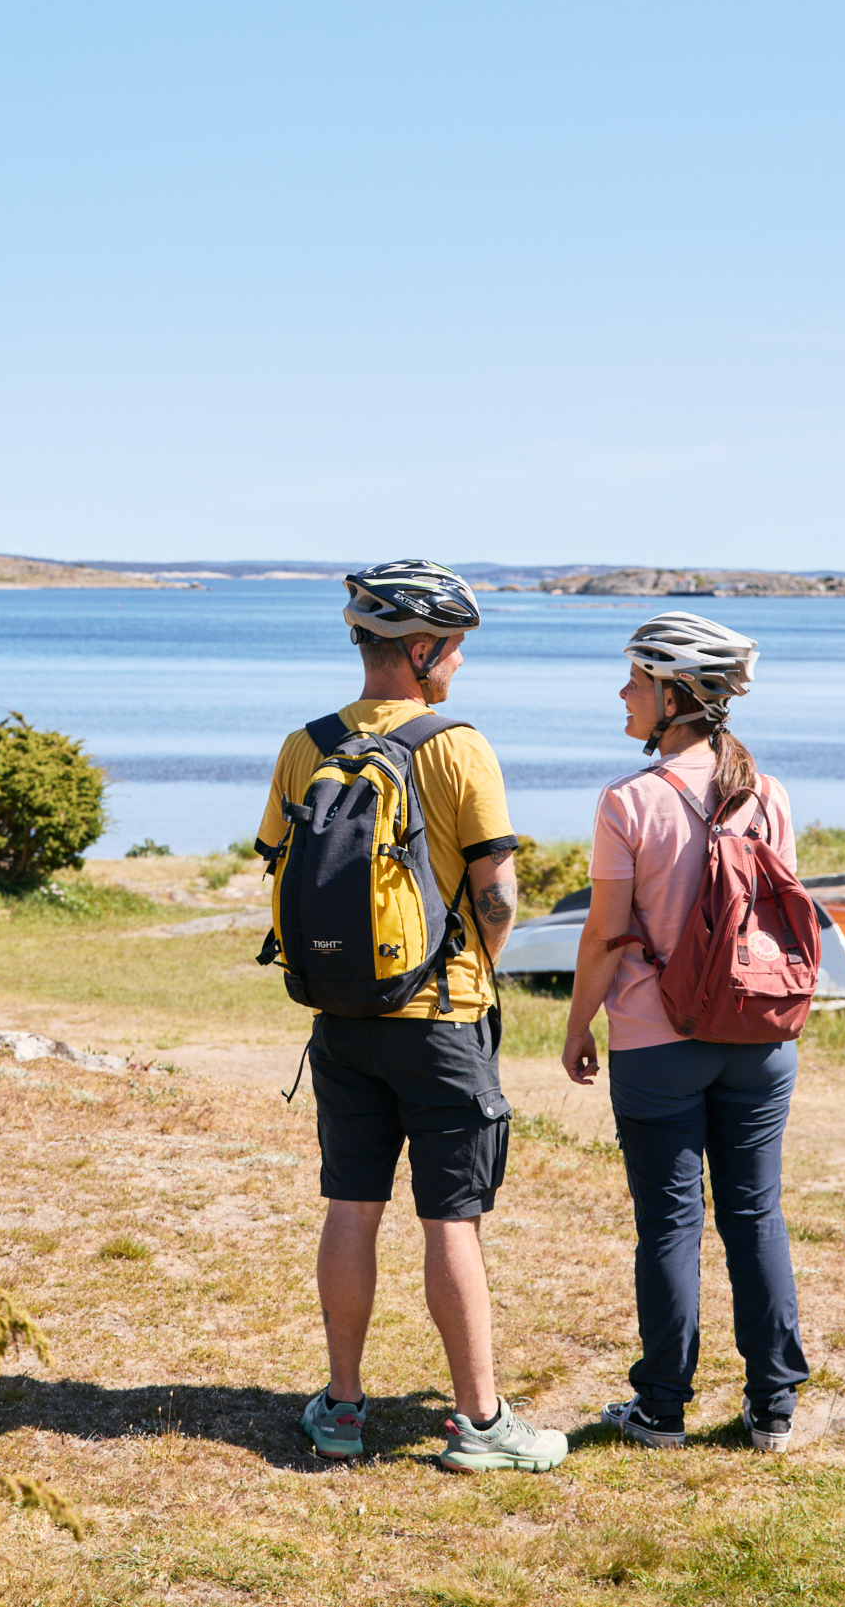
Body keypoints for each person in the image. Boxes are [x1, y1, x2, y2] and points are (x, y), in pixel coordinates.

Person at [257, 560, 567, 1473]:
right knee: (451, 1220)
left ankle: (342, 1408)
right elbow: (498, 892)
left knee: (350, 1207)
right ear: (423, 649)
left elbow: (276, 867)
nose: (462, 664)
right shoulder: (457, 744)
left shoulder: (305, 743)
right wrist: (474, 968)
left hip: (341, 1016)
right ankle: (482, 1423)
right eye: (458, 648)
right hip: (439, 1018)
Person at [560, 613, 811, 1453]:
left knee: (669, 1223)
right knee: (755, 1212)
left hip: (656, 1038)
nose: (622, 693)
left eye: (635, 680)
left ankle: (662, 1408)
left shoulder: (629, 801)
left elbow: (602, 935)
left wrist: (577, 1024)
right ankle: (772, 1407)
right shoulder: (768, 794)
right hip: (760, 1034)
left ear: (675, 697)